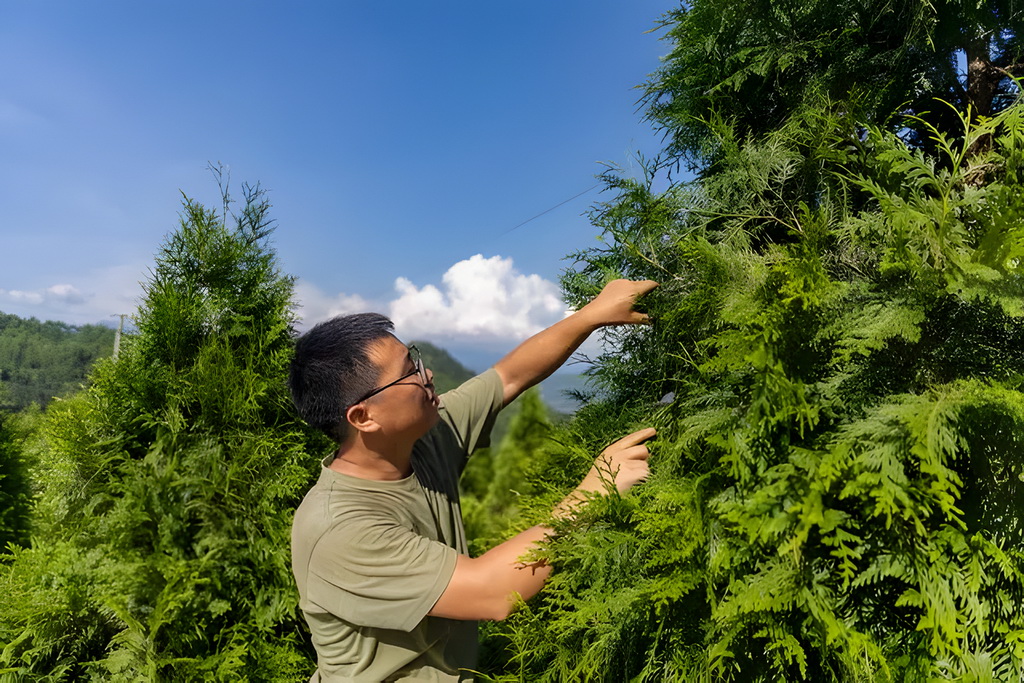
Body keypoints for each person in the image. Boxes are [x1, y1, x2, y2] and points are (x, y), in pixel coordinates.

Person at [288, 279, 659, 681]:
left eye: (414, 357)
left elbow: (509, 376)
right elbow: (493, 593)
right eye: (407, 373)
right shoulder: (340, 529)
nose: (426, 373)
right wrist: (596, 491)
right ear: (363, 417)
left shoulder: (422, 438)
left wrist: (592, 315)